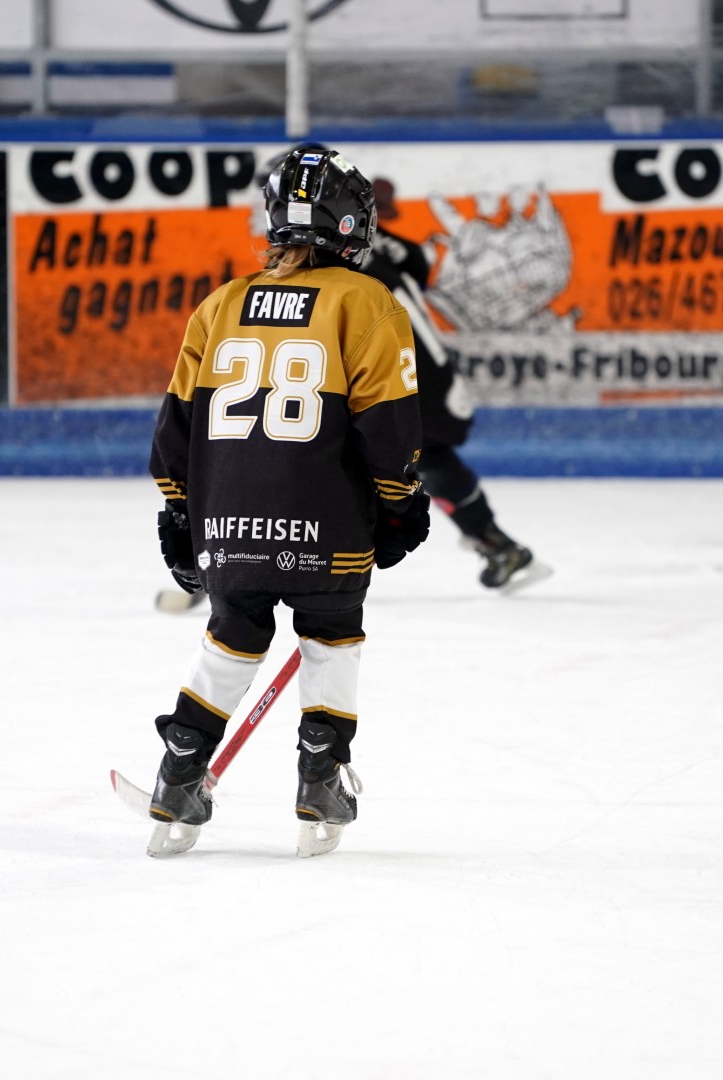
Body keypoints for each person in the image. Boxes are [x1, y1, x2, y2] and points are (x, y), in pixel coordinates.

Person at [144, 146, 429, 858]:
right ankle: (320, 778)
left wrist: (181, 514)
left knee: (231, 636)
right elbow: (389, 432)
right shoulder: (367, 302)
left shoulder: (221, 303)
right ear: (350, 224)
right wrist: (401, 503)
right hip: (327, 523)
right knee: (331, 635)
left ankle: (180, 768)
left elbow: (175, 431)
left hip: (226, 522)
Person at [361, 176, 549, 591]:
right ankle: (498, 545)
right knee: (423, 459)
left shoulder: (344, 262)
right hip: (427, 374)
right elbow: (417, 268)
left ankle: (295, 564)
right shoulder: (378, 248)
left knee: (404, 459)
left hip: (413, 379)